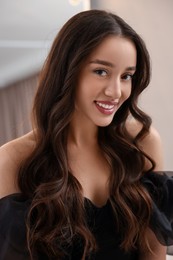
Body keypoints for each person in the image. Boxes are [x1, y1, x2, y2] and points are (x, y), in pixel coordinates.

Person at [0, 9, 172, 260]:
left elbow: (152, 255)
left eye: (126, 76)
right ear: (67, 70)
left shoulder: (142, 143)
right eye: (101, 71)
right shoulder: (14, 159)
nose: (116, 91)